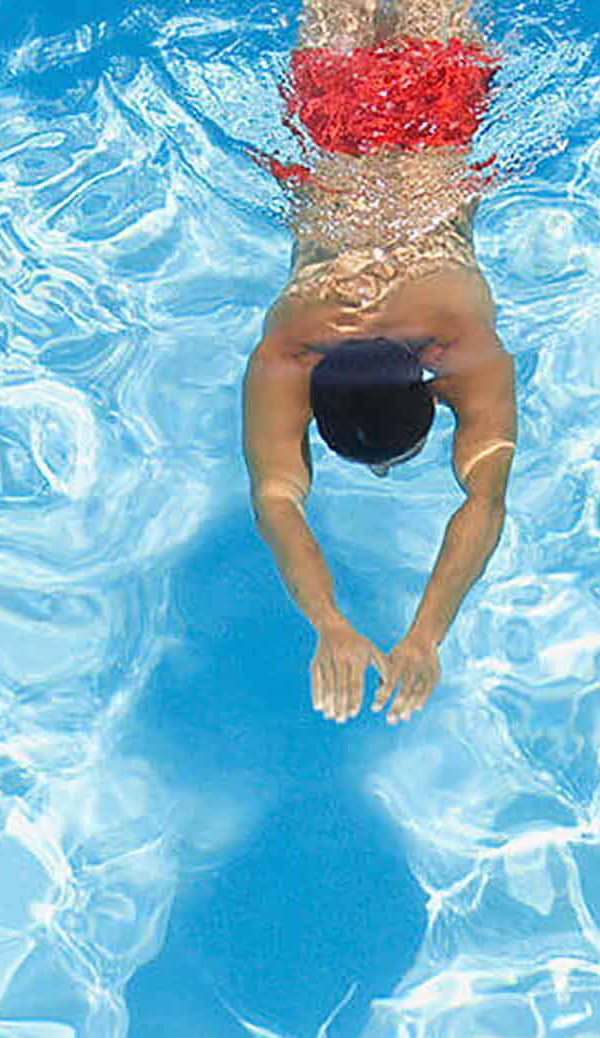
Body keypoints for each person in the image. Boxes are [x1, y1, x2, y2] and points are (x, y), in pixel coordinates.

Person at [241, 0, 518, 722]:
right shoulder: (289, 349)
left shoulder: (462, 345)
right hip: (333, 135)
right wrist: (328, 623)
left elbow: (485, 500)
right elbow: (274, 498)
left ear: (433, 394)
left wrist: (424, 636)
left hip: (439, 128)